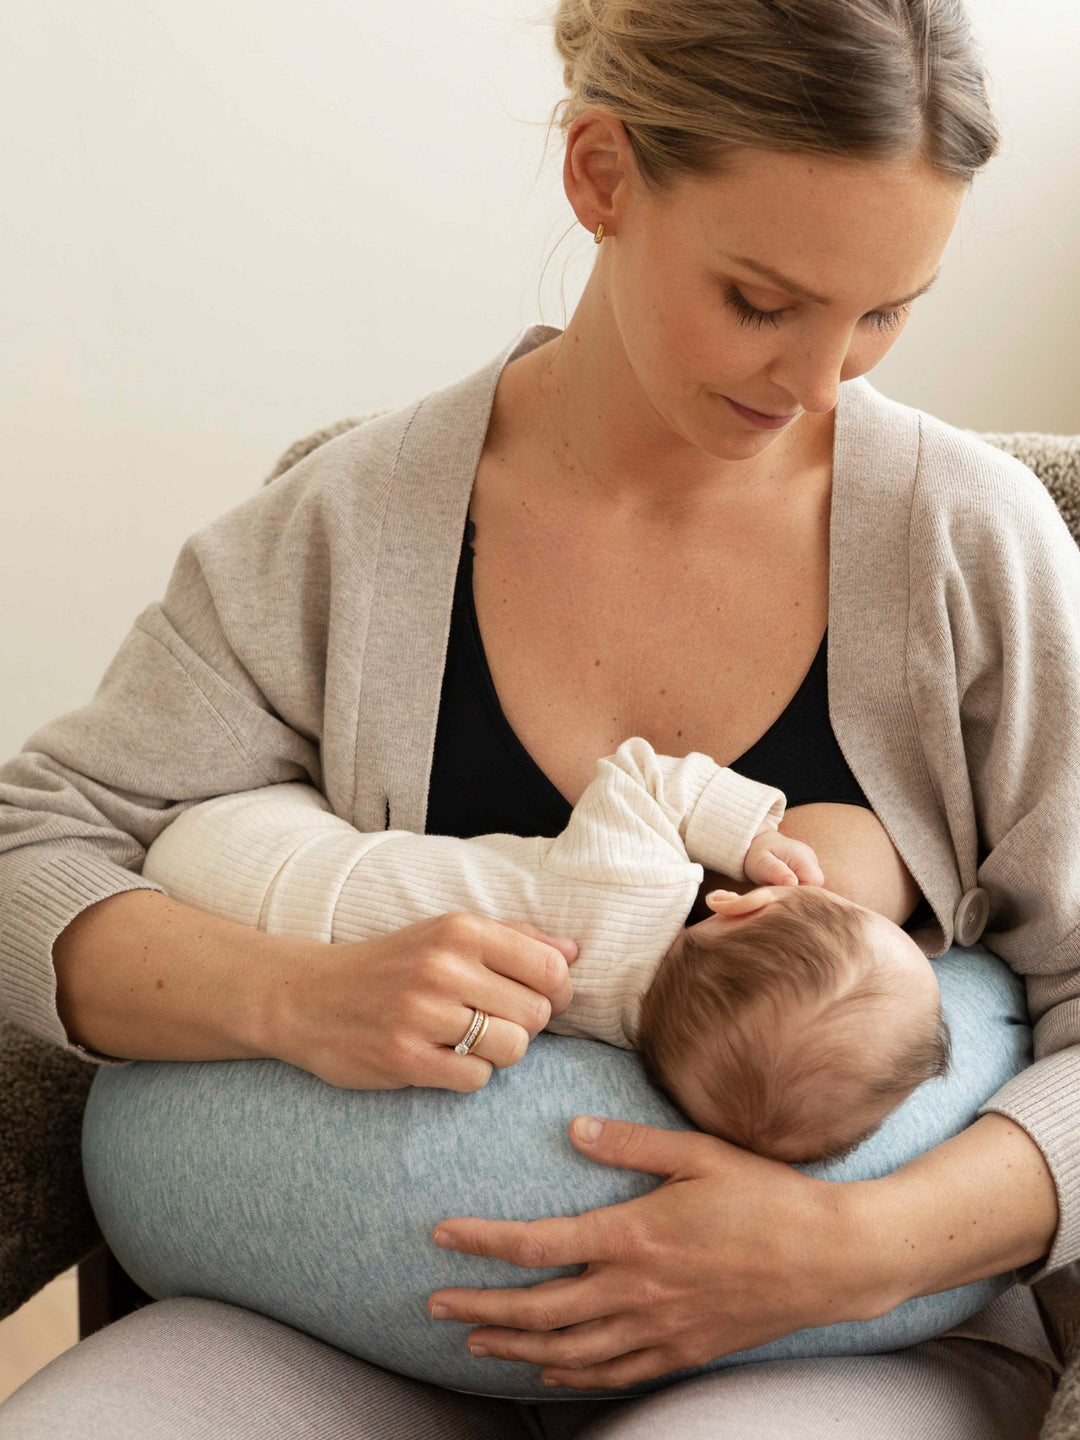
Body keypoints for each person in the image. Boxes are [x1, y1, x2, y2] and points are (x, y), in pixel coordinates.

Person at [0, 0, 1077, 1434]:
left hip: (843, 1345)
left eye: (885, 312)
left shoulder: (971, 546)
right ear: (603, 176)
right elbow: (35, 841)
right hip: (359, 1336)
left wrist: (852, 1248)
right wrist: (289, 992)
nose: (821, 382)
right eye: (762, 300)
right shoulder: (349, 528)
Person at [137, 733, 950, 1162]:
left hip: (243, 854)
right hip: (259, 908)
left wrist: (749, 832)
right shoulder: (598, 1026)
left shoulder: (639, 878)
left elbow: (639, 772)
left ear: (741, 911)